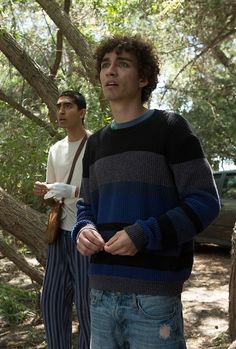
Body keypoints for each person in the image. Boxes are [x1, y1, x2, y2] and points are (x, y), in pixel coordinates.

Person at [71, 35, 221, 349]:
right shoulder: (95, 143)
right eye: (105, 65)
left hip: (154, 299)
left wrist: (144, 233)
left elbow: (205, 202)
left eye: (122, 64)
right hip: (99, 294)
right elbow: (86, 205)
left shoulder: (170, 128)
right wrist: (83, 229)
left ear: (143, 78)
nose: (110, 71)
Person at [34, 90, 91, 349]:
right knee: (52, 301)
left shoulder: (97, 145)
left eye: (68, 106)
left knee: (87, 305)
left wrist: (75, 192)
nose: (61, 111)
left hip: (86, 234)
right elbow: (52, 196)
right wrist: (46, 192)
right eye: (58, 106)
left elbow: (104, 190)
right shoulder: (55, 149)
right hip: (59, 236)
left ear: (82, 112)